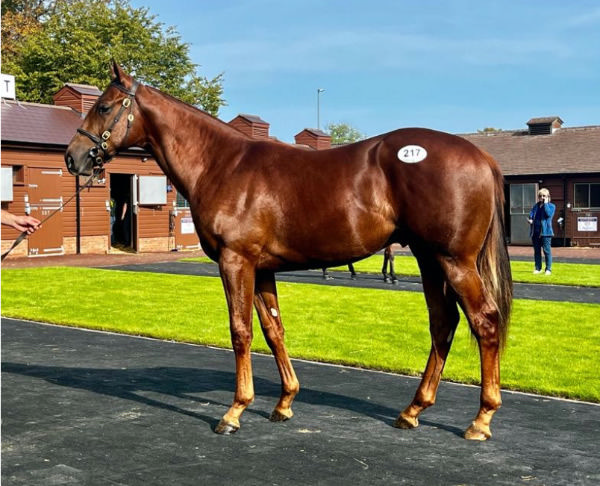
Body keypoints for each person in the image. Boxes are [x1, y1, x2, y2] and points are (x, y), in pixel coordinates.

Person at [528, 188, 555, 275]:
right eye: (540, 196)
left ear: (548, 197)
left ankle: (548, 269)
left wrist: (546, 204)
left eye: (544, 196)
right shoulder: (536, 206)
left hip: (546, 233)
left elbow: (548, 214)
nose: (542, 197)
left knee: (547, 251)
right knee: (537, 251)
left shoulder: (551, 206)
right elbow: (531, 215)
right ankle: (538, 268)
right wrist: (531, 220)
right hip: (535, 232)